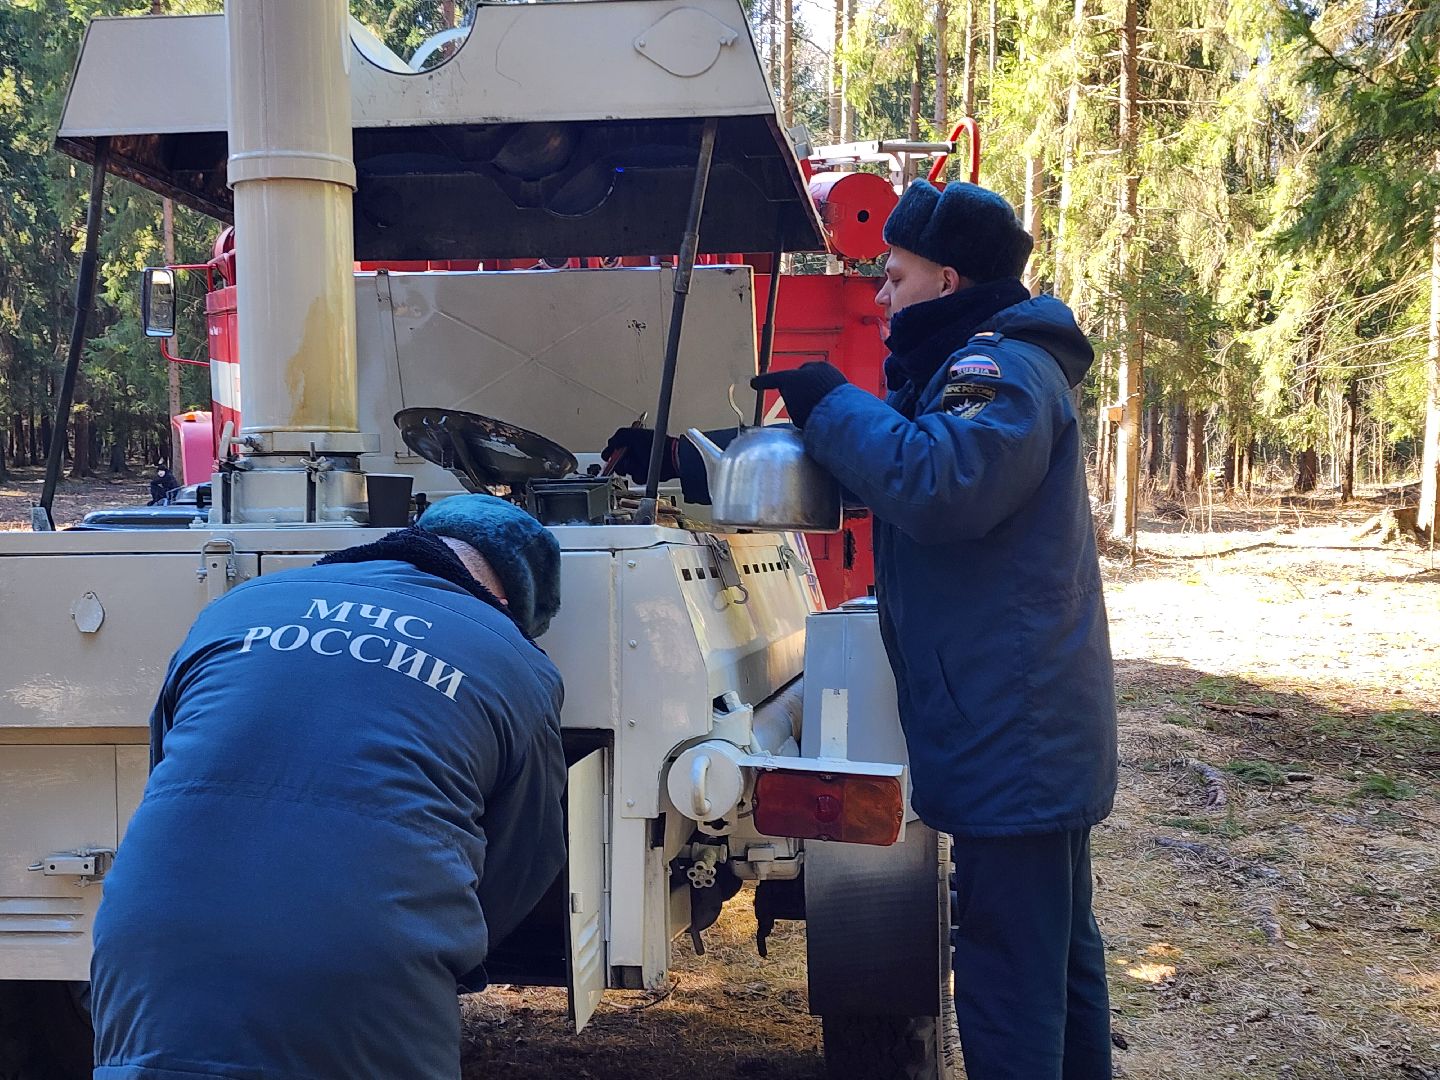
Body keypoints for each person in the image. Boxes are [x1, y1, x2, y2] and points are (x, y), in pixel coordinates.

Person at [605, 180, 1119, 1080]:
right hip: (1019, 726)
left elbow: (938, 482)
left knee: (1009, 973)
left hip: (1017, 733)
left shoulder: (999, 371)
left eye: (894, 277)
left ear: (948, 279)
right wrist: (699, 454)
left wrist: (828, 402)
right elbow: (886, 463)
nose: (879, 298)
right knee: (1053, 959)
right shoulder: (983, 367)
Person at [90, 494, 567, 1079]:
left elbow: (169, 770)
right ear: (506, 598)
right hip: (370, 966)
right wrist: (440, 933)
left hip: (149, 947)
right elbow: (524, 857)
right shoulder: (515, 658)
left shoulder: (236, 607)